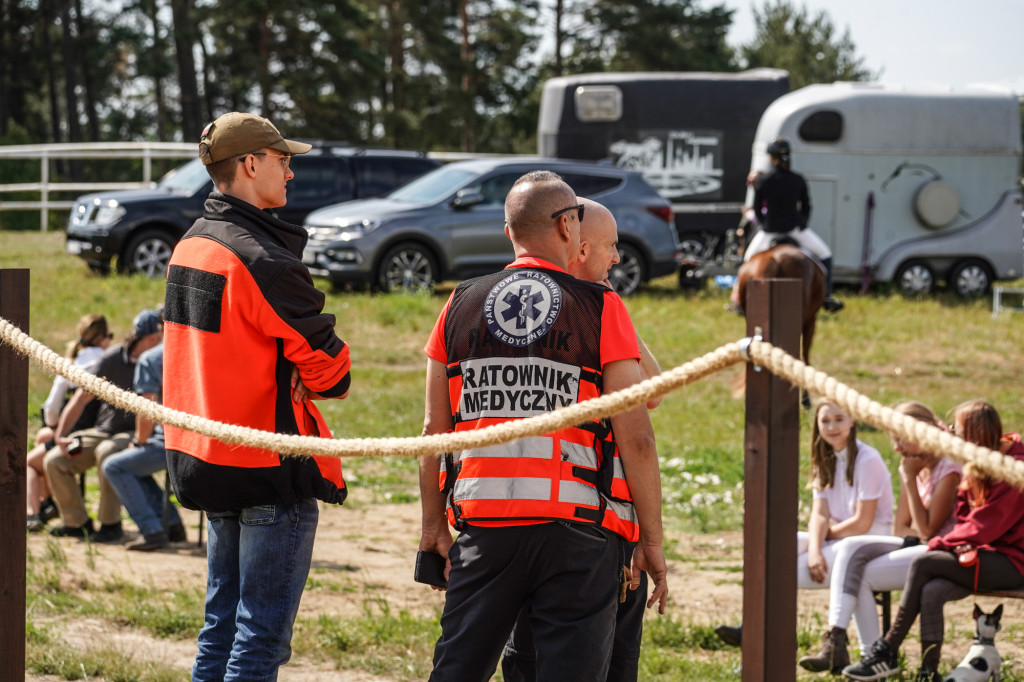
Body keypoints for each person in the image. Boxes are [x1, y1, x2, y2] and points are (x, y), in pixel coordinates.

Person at [418, 170, 668, 681]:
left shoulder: (459, 303)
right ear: (566, 227)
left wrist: (431, 528)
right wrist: (653, 541)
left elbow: (432, 433)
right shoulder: (600, 308)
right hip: (577, 530)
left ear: (509, 230)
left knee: (456, 672)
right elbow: (636, 435)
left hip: (484, 526)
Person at [162, 111, 353, 682]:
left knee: (220, 625)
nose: (290, 174)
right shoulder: (261, 259)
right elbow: (333, 375)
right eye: (283, 160)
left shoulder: (191, 244)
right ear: (250, 164)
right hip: (265, 466)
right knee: (260, 637)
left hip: (205, 456)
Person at [501, 197, 662, 682]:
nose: (617, 258)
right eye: (610, 248)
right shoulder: (567, 313)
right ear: (579, 243)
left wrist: (607, 297)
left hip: (538, 519)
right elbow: (645, 412)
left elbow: (649, 388)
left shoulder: (595, 305)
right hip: (583, 524)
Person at [843, 399, 1024, 682]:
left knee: (925, 560)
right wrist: (961, 541)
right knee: (933, 590)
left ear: (974, 436)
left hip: (1015, 562)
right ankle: (928, 673)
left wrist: (946, 543)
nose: (951, 435)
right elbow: (967, 516)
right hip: (985, 553)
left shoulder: (1015, 468)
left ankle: (886, 650)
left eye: (958, 430)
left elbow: (987, 525)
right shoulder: (978, 459)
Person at [798, 401, 961, 673]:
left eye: (900, 440)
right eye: (894, 440)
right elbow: (903, 529)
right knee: (853, 566)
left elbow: (926, 530)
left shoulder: (945, 468)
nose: (896, 448)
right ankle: (867, 658)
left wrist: (908, 479)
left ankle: (856, 650)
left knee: (852, 553)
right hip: (919, 547)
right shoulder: (918, 464)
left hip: (943, 553)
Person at [715, 399, 893, 647]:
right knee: (780, 545)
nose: (832, 426)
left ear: (853, 422)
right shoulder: (825, 460)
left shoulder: (867, 459)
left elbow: (862, 522)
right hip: (839, 538)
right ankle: (752, 626)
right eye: (825, 421)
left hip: (870, 539)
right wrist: (813, 551)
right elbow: (819, 514)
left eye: (839, 419)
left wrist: (820, 544)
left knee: (781, 571)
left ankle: (762, 634)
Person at [43, 309, 163, 541]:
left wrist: (140, 440)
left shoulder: (157, 364)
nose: (159, 344)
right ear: (149, 339)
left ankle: (111, 524)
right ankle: (76, 522)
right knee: (54, 460)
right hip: (103, 430)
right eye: (156, 339)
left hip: (133, 432)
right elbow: (80, 398)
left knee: (106, 453)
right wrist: (61, 435)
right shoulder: (112, 359)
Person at [731, 138, 844, 313]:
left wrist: (764, 224)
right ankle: (827, 296)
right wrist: (802, 223)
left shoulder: (764, 180)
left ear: (771, 158)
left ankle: (739, 299)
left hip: (769, 231)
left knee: (747, 261)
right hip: (795, 229)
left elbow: (757, 208)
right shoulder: (798, 179)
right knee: (825, 256)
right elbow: (807, 206)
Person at [26, 313, 111, 532]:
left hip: (76, 436)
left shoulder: (72, 363)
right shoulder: (109, 361)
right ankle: (49, 501)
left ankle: (33, 512)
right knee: (43, 438)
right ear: (103, 337)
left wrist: (55, 428)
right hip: (97, 431)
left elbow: (52, 408)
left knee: (29, 462)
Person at [101, 340, 186, 551]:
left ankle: (152, 531)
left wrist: (138, 442)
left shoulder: (153, 357)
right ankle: (173, 524)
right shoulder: (199, 347)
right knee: (135, 468)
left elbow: (146, 406)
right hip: (205, 438)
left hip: (171, 442)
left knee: (115, 466)